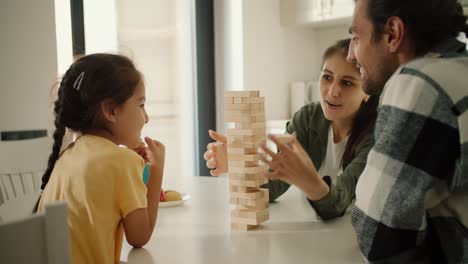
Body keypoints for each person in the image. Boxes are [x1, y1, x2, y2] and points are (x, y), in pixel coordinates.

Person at [347, 0, 468, 262]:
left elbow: (378, 235)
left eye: (356, 37)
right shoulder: (458, 71)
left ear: (393, 33)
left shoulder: (420, 81)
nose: (350, 55)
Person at [205, 38, 379, 220]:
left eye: (347, 83)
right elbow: (272, 188)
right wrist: (238, 166)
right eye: (327, 77)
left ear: (367, 91)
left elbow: (336, 205)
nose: (332, 91)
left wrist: (308, 181)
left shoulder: (377, 135)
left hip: (359, 237)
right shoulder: (307, 120)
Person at [34, 54, 165, 264]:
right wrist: (157, 170)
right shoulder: (122, 161)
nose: (146, 117)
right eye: (140, 105)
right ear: (111, 110)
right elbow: (139, 237)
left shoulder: (69, 154)